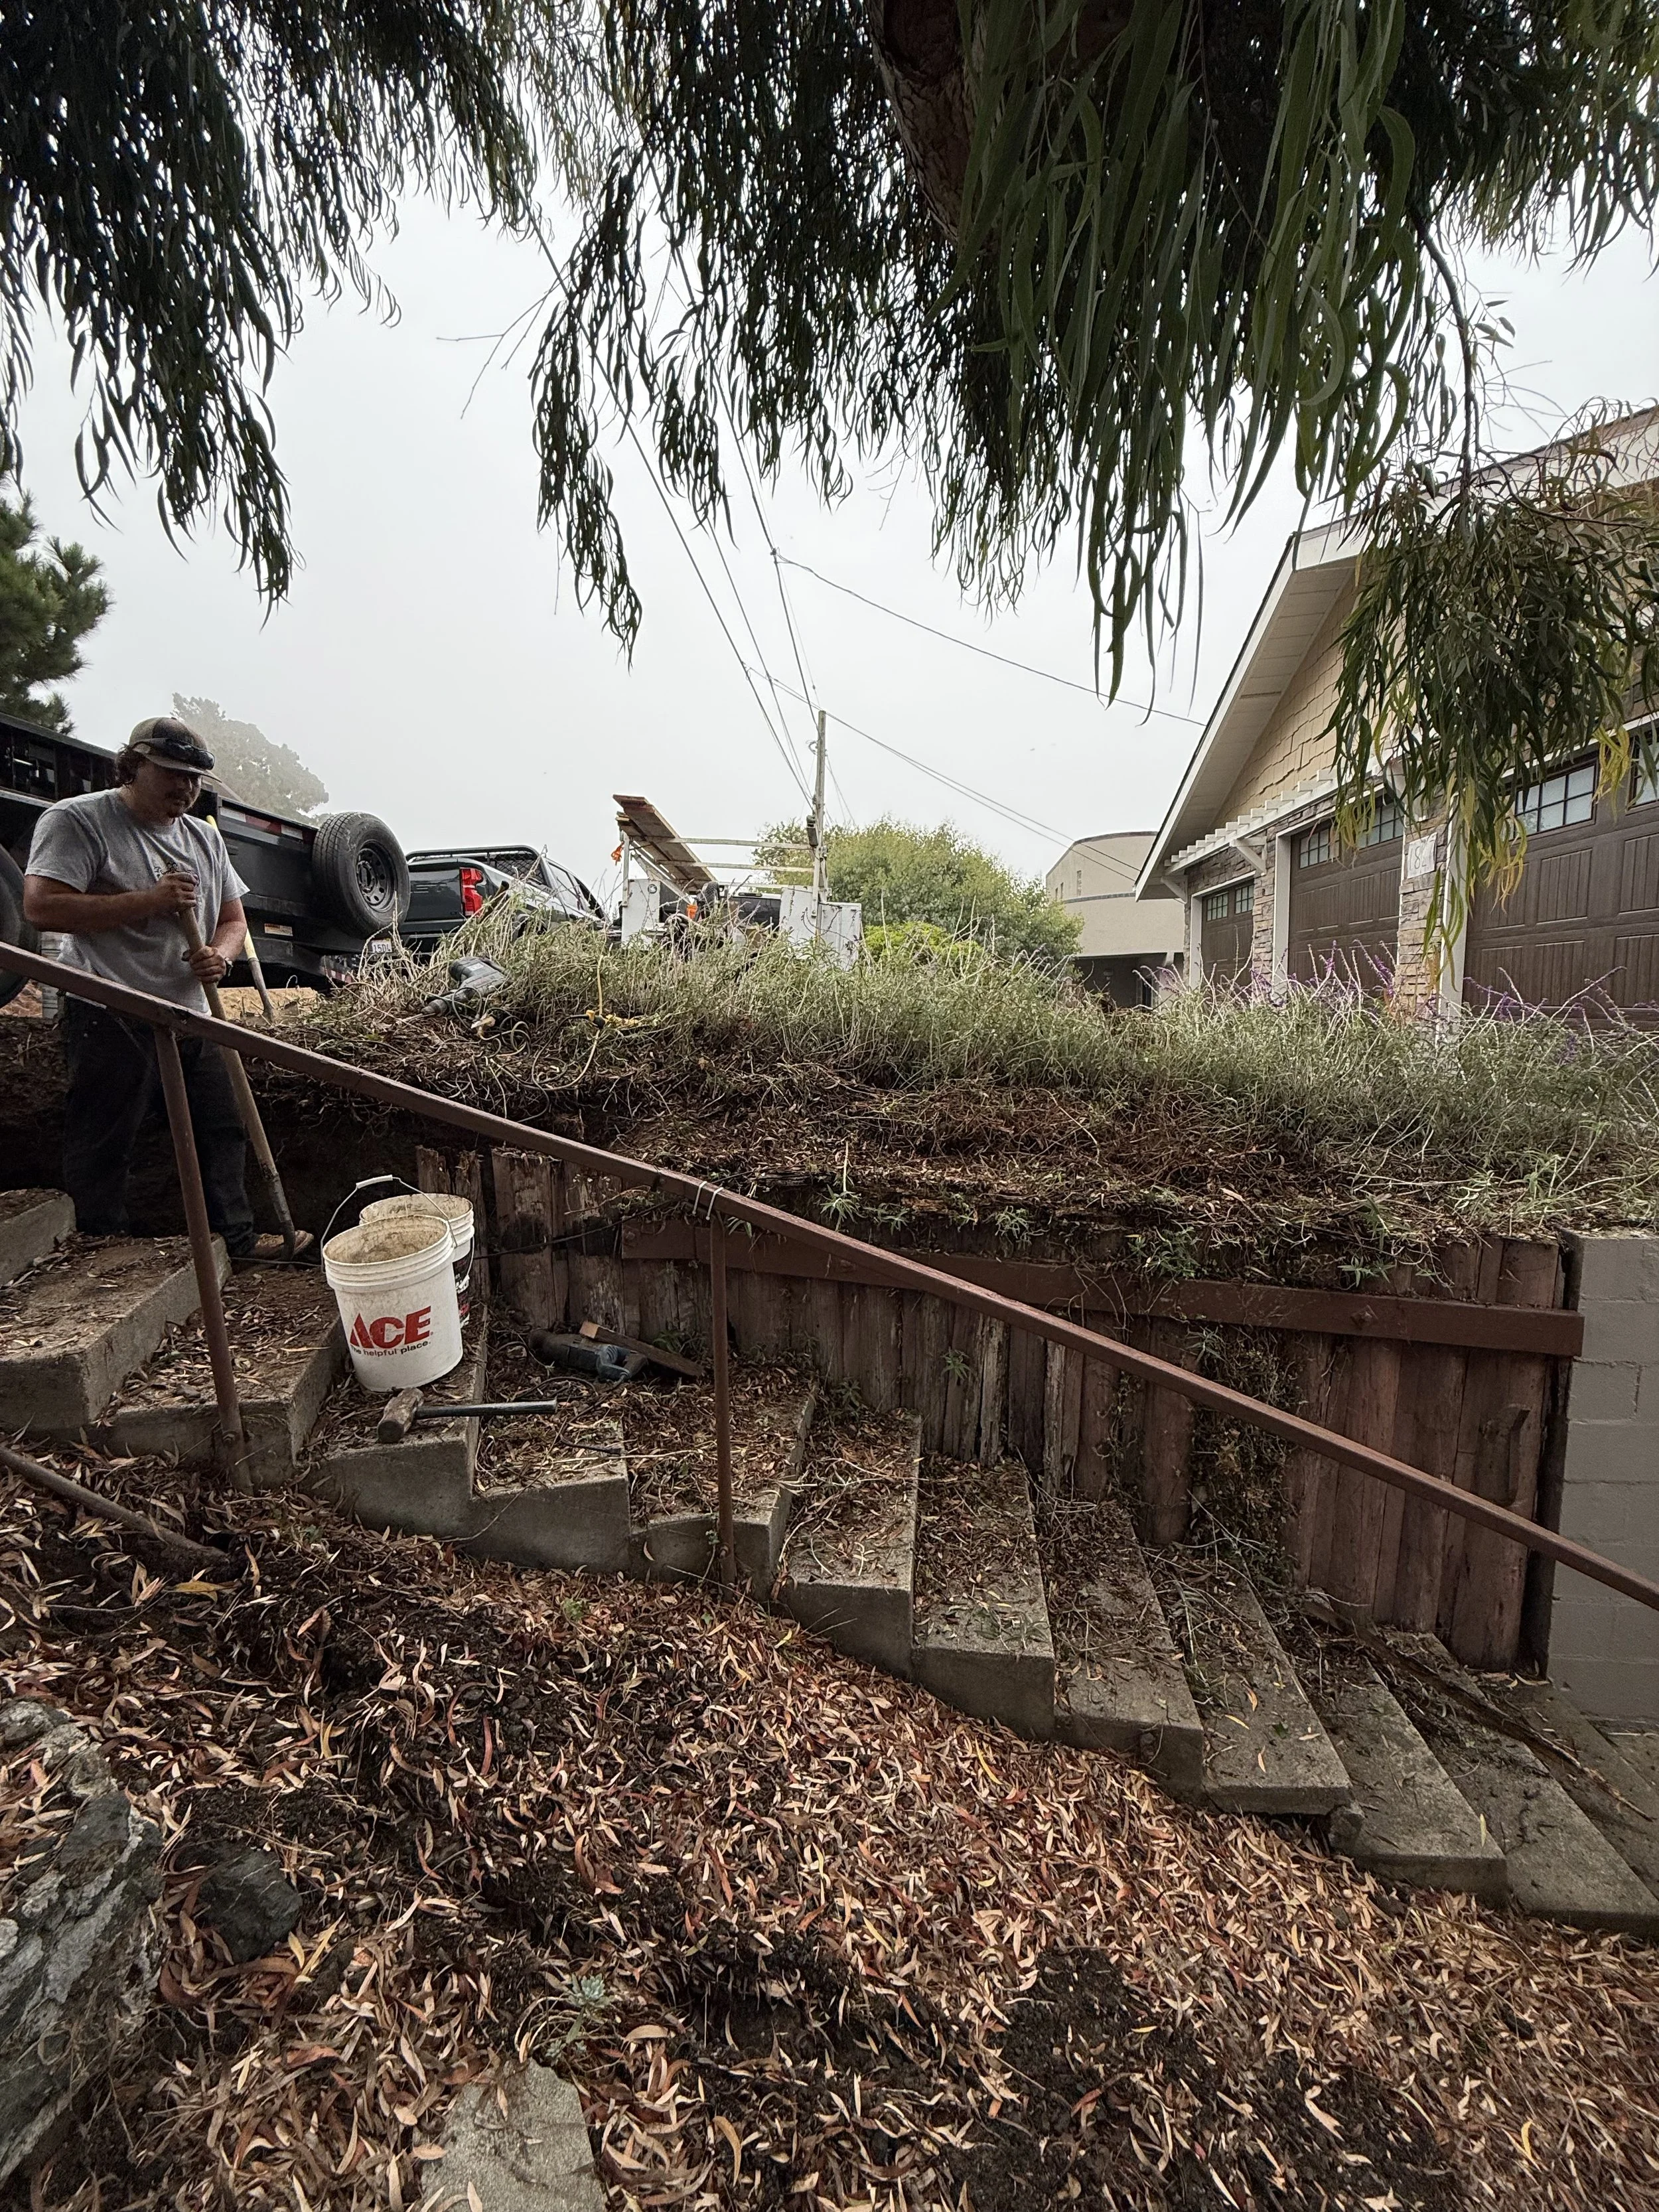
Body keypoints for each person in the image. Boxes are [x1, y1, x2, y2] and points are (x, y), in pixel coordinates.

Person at [22, 716, 257, 1255]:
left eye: (195, 779)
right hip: (109, 1006)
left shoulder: (202, 837)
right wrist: (150, 901)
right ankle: (102, 1250)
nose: (185, 788)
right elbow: (40, 906)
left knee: (222, 1129)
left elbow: (233, 920)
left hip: (190, 1012)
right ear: (134, 765)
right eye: (172, 773)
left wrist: (218, 958)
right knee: (107, 1136)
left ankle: (237, 1246)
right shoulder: (79, 821)